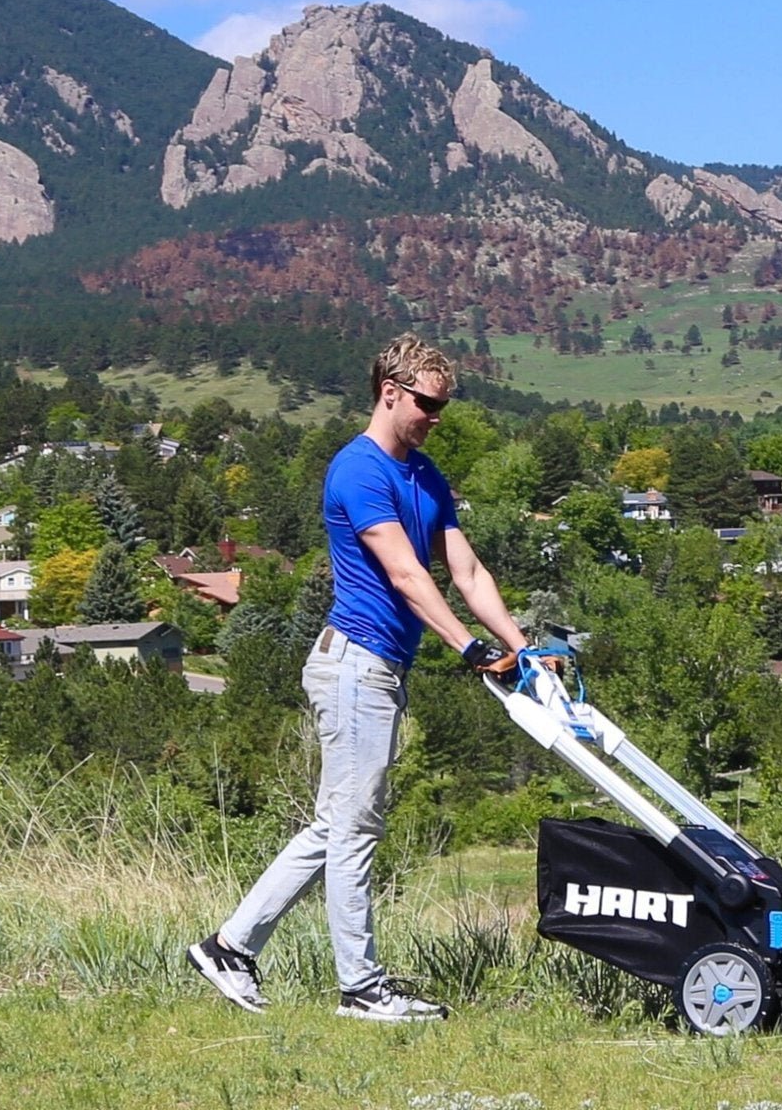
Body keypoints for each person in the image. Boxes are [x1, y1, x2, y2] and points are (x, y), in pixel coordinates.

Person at [188, 333, 528, 1022]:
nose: (436, 418)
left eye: (443, 407)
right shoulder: (358, 470)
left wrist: (522, 647)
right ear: (390, 393)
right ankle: (362, 989)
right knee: (355, 829)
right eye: (428, 404)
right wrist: (469, 648)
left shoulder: (426, 475)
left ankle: (229, 948)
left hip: (381, 669)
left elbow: (466, 571)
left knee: (337, 823)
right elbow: (406, 574)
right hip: (353, 666)